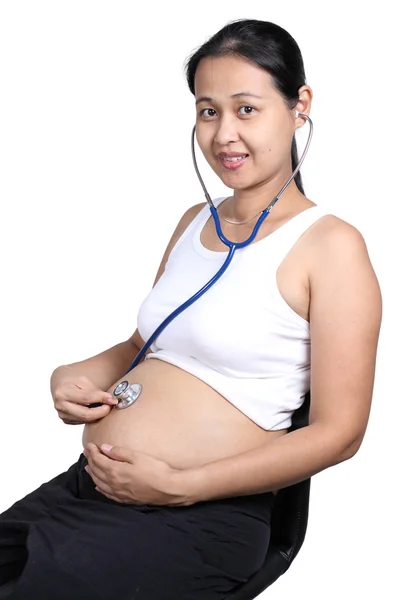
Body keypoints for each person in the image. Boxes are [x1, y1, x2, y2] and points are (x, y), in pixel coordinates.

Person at [0, 17, 382, 600]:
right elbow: (143, 346)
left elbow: (340, 433)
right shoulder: (193, 222)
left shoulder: (332, 247)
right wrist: (74, 375)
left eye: (246, 109)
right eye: (208, 111)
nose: (224, 133)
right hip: (92, 491)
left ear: (299, 105)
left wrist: (180, 484)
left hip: (198, 516)